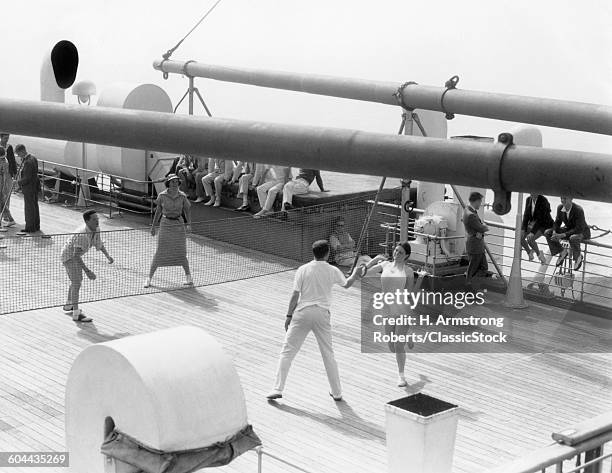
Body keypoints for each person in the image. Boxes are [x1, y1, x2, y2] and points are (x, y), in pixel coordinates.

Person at [266, 240, 364, 401]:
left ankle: (277, 388)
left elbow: (295, 295)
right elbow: (347, 284)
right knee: (328, 354)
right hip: (322, 315)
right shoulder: (333, 270)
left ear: (314, 253)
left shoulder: (302, 270)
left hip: (302, 314)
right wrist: (356, 273)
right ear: (327, 253)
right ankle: (337, 393)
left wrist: (288, 316)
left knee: (287, 352)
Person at [363, 243, 426, 387]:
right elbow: (364, 273)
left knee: (398, 346)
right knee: (391, 346)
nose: (396, 254)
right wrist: (373, 260)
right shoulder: (384, 265)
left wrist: (420, 278)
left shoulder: (408, 271)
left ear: (406, 256)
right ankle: (407, 336)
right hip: (387, 309)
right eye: (396, 250)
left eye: (401, 252)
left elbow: (410, 294)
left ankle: (401, 376)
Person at [61, 210, 114, 322]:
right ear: (87, 221)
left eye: (97, 219)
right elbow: (75, 256)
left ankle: (69, 304)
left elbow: (98, 243)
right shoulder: (82, 235)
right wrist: (88, 271)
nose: (97, 221)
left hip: (75, 255)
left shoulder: (96, 229)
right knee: (76, 282)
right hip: (69, 257)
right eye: (94, 219)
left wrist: (107, 256)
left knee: (76, 281)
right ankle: (76, 314)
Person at [145, 174, 193, 287]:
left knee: (181, 251)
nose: (175, 184)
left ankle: (189, 277)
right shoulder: (162, 196)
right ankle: (148, 278)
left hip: (179, 225)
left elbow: (187, 210)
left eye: (177, 182)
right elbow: (158, 212)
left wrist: (189, 224)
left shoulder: (182, 196)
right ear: (168, 183)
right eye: (173, 182)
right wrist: (153, 227)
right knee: (160, 251)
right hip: (165, 224)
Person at [544, 196, 591, 271]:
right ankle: (562, 251)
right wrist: (554, 232)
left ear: (571, 198)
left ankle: (578, 257)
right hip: (569, 230)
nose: (562, 200)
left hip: (582, 231)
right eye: (561, 198)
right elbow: (557, 222)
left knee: (573, 238)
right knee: (547, 233)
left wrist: (562, 235)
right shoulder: (560, 208)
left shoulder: (578, 210)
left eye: (565, 198)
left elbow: (578, 228)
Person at [462, 192, 489, 284]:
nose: (480, 204)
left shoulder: (468, 210)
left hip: (476, 245)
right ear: (476, 201)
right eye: (480, 201)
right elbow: (483, 228)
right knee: (473, 270)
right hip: (475, 246)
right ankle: (470, 287)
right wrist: (484, 227)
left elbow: (480, 228)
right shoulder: (471, 215)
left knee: (481, 268)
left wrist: (480, 232)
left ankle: (471, 286)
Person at [521, 193, 554, 264]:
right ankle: (529, 253)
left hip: (544, 224)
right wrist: (523, 228)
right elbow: (526, 215)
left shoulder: (543, 200)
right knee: (520, 237)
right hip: (533, 224)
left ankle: (539, 254)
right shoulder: (528, 199)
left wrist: (532, 232)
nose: (532, 193)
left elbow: (540, 219)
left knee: (530, 239)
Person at [15, 144, 40, 233]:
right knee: (34, 206)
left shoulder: (28, 162)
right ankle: (36, 225)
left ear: (22, 151)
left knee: (29, 208)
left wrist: (18, 182)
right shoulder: (33, 158)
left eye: (18, 154)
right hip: (35, 186)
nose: (18, 156)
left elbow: (27, 178)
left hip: (29, 188)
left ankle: (30, 227)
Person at [0, 133, 17, 227]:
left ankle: (6, 216)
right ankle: (5, 215)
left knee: (6, 196)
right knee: (2, 197)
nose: (7, 140)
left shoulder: (9, 147)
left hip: (7, 176)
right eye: (5, 138)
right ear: (1, 138)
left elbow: (12, 161)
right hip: (2, 176)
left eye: (8, 138)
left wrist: (14, 174)